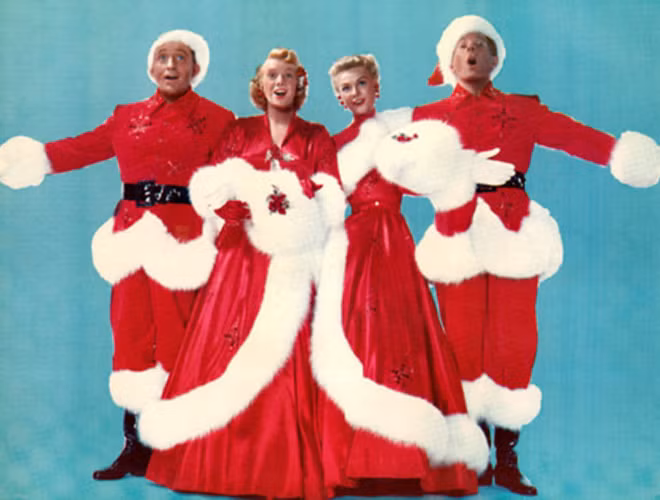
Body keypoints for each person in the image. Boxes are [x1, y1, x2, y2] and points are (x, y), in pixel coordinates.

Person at [376, 14, 660, 496]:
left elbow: (574, 136)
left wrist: (620, 155)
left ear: (495, 59)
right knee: (461, 344)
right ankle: (472, 456)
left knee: (514, 342)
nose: (472, 53)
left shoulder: (522, 110)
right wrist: (455, 173)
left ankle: (507, 459)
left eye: (481, 46)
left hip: (514, 235)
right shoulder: (425, 117)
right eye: (463, 46)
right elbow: (397, 175)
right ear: (449, 59)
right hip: (457, 236)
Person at [0, 29, 235, 480]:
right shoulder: (126, 117)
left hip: (182, 243)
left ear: (196, 68)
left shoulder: (219, 119)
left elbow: (236, 174)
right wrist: (30, 160)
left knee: (180, 339)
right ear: (151, 67)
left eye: (180, 58)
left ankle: (185, 450)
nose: (170, 65)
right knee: (131, 337)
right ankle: (136, 447)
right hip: (130, 240)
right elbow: (82, 148)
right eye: (162, 57)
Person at [316, 54, 491, 497]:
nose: (354, 94)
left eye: (361, 84)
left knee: (401, 333)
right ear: (337, 98)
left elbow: (426, 175)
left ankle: (408, 458)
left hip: (393, 241)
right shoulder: (333, 146)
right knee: (355, 334)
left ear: (376, 88)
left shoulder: (398, 134)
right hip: (354, 245)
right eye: (345, 89)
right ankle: (355, 459)